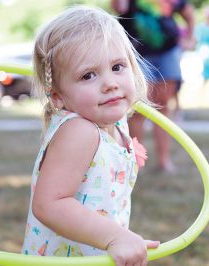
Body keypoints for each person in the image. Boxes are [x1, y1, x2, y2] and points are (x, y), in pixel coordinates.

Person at [21, 5, 159, 266]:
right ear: (58, 97)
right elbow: (49, 204)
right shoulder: (79, 130)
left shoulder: (116, 123)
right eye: (88, 75)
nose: (110, 83)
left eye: (117, 67)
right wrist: (116, 237)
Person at [111, 0, 195, 172]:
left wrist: (189, 38)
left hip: (168, 52)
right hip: (138, 54)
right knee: (137, 111)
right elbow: (118, 8)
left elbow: (188, 12)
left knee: (163, 108)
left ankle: (164, 160)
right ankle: (134, 163)